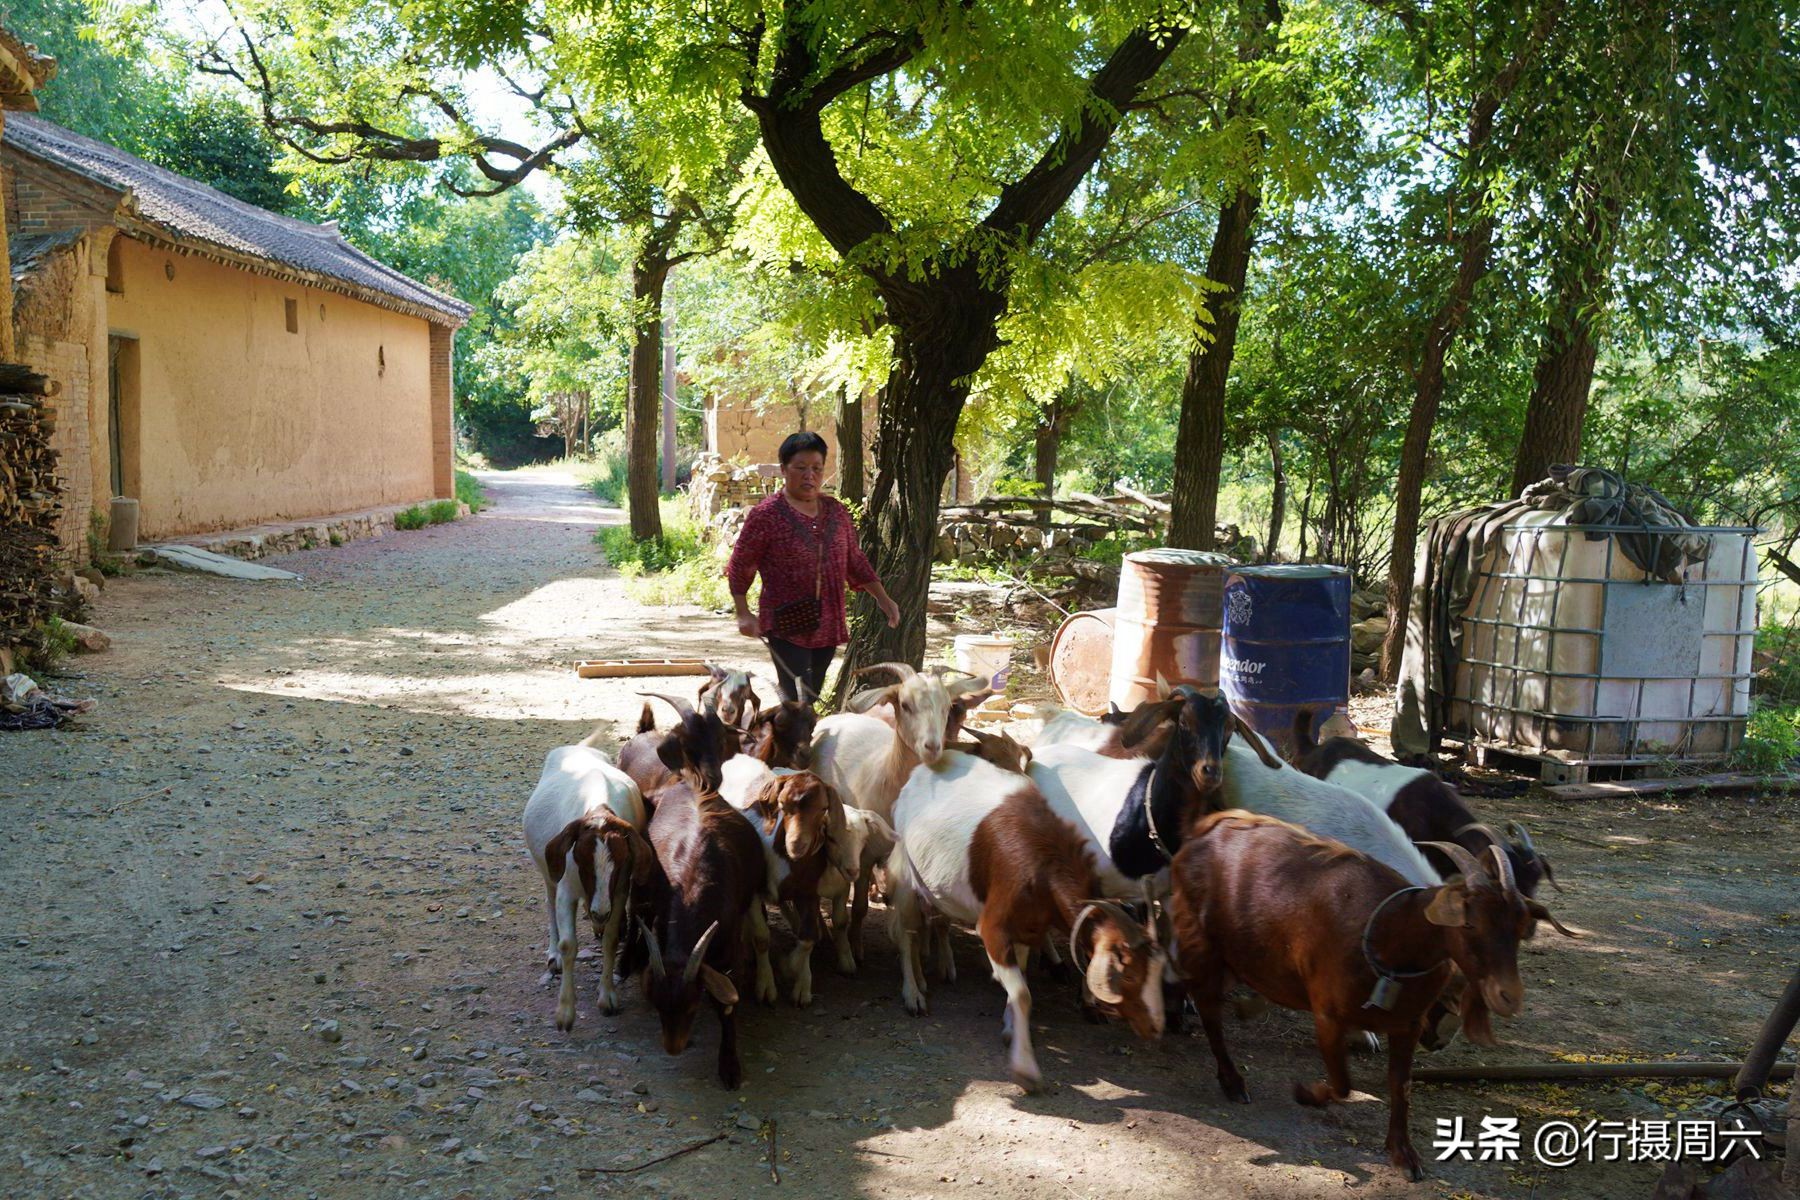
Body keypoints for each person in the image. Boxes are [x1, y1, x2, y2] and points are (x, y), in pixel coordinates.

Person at [726, 431, 900, 704]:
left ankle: (789, 741)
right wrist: (743, 612)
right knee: (799, 700)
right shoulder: (766, 515)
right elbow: (741, 564)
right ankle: (791, 743)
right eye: (801, 468)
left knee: (811, 696)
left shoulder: (836, 512)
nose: (810, 476)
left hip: (828, 623)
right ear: (784, 469)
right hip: (786, 623)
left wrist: (883, 598)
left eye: (817, 469)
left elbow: (854, 559)